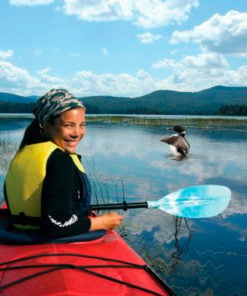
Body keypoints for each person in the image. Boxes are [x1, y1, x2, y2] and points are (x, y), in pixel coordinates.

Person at [4, 89, 124, 238]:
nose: (77, 133)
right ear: (47, 126)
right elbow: (56, 225)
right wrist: (102, 222)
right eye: (69, 125)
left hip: (16, 233)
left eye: (82, 125)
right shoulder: (60, 160)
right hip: (45, 239)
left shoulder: (22, 153)